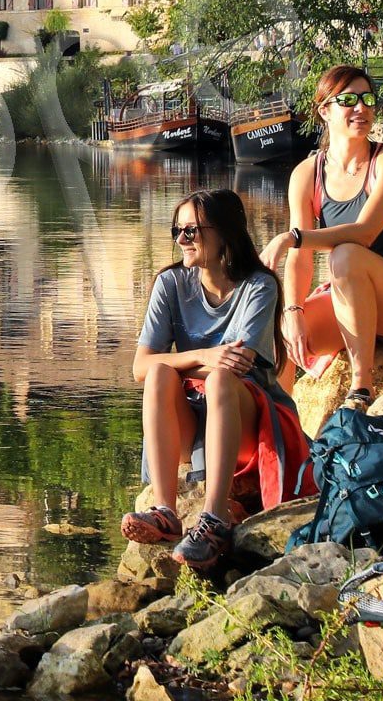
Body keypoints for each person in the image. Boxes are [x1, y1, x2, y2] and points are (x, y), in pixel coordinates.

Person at [120, 188, 312, 571]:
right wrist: (201, 356)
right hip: (191, 421)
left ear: (224, 233)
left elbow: (237, 369)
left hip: (244, 423)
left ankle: (214, 518)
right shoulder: (170, 283)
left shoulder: (260, 286)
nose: (181, 240)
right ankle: (166, 512)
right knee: (159, 373)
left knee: (220, 379)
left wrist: (188, 366)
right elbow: (140, 367)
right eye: (177, 230)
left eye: (191, 231)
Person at [258, 65, 383, 409]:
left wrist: (292, 237)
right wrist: (294, 310)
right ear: (325, 111)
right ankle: (278, 429)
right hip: (347, 298)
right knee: (278, 332)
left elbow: (365, 233)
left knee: (345, 255)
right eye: (348, 100)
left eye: (368, 99)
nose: (361, 108)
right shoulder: (307, 173)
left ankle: (360, 388)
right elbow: (301, 261)